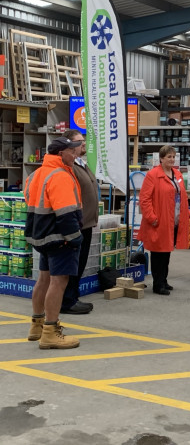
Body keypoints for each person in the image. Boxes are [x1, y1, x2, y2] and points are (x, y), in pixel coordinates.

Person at [24, 137, 83, 349]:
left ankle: (37, 325)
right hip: (60, 238)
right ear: (61, 154)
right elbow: (66, 212)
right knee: (59, 282)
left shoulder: (36, 174)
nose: (76, 154)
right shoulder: (60, 175)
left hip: (41, 236)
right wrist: (74, 237)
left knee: (44, 279)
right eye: (73, 151)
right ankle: (50, 331)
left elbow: (31, 202)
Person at [138, 145, 190, 295]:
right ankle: (157, 284)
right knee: (158, 252)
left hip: (173, 219)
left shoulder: (178, 174)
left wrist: (185, 213)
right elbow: (145, 199)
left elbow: (182, 196)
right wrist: (151, 217)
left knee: (167, 251)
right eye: (169, 157)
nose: (172, 159)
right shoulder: (153, 175)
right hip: (159, 220)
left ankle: (164, 280)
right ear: (161, 159)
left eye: (174, 156)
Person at [60, 130, 99, 315]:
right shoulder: (69, 167)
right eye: (79, 142)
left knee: (80, 263)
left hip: (87, 223)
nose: (83, 145)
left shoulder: (81, 163)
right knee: (73, 264)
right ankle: (67, 301)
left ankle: (73, 297)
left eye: (83, 141)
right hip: (77, 224)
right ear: (70, 146)